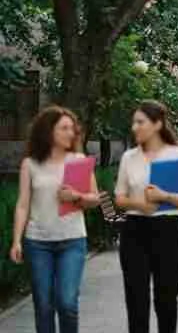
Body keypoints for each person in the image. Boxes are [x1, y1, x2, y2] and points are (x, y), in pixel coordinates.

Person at [10, 107, 99, 333]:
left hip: (72, 240)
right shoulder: (30, 164)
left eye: (72, 128)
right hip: (37, 242)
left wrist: (76, 196)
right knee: (43, 305)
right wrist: (17, 241)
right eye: (64, 128)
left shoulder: (79, 161)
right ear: (48, 131)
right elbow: (22, 204)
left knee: (67, 303)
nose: (71, 133)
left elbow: (95, 199)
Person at [115, 101, 178, 333]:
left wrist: (166, 196)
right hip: (134, 230)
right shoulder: (128, 157)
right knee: (136, 300)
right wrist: (140, 204)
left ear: (157, 124)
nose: (134, 127)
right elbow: (119, 198)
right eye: (134, 122)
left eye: (140, 122)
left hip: (168, 231)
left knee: (166, 299)